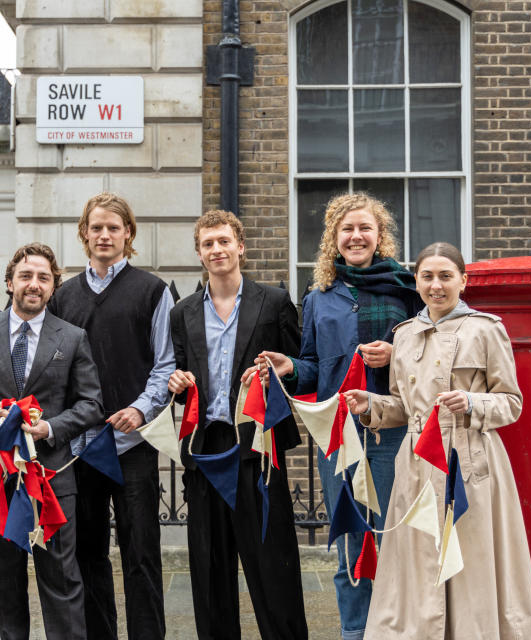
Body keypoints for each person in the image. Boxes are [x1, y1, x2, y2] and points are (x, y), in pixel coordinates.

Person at [344, 242, 531, 639]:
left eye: (446, 276)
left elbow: (511, 403)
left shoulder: (487, 330)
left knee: (471, 563)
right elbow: (403, 406)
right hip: (417, 467)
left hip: (471, 464)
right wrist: (371, 405)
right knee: (418, 564)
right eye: (427, 276)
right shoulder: (404, 335)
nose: (436, 286)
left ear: (463, 281)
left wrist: (470, 401)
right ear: (416, 281)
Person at [259, 192, 421, 640]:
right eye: (346, 229)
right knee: (351, 540)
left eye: (365, 228)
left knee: (392, 538)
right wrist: (292, 368)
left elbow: (429, 359)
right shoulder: (318, 297)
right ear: (334, 238)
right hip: (338, 435)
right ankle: (355, 632)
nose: (356, 236)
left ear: (379, 235)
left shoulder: (407, 292)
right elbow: (313, 363)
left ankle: (396, 630)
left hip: (390, 430)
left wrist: (397, 351)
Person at [167, 210, 308, 640]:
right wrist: (176, 383)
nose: (217, 250)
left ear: (240, 247)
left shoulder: (274, 301)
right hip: (206, 450)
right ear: (199, 253)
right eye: (208, 244)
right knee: (210, 575)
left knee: (273, 568)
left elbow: (299, 367)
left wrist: (280, 373)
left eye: (224, 241)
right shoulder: (183, 312)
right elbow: (177, 377)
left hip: (258, 450)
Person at [0, 242, 103, 640]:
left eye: (42, 277)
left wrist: (50, 428)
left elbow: (92, 404)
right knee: (6, 582)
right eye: (25, 276)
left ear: (53, 286)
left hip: (53, 477)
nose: (33, 285)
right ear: (9, 283)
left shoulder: (72, 337)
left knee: (61, 579)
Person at [46, 193, 174, 640]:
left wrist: (141, 408)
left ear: (128, 234)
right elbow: (53, 372)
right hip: (80, 448)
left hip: (132, 446)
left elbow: (166, 363)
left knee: (142, 554)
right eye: (96, 227)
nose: (104, 235)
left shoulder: (153, 291)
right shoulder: (63, 298)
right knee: (88, 554)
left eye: (113, 228)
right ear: (84, 233)